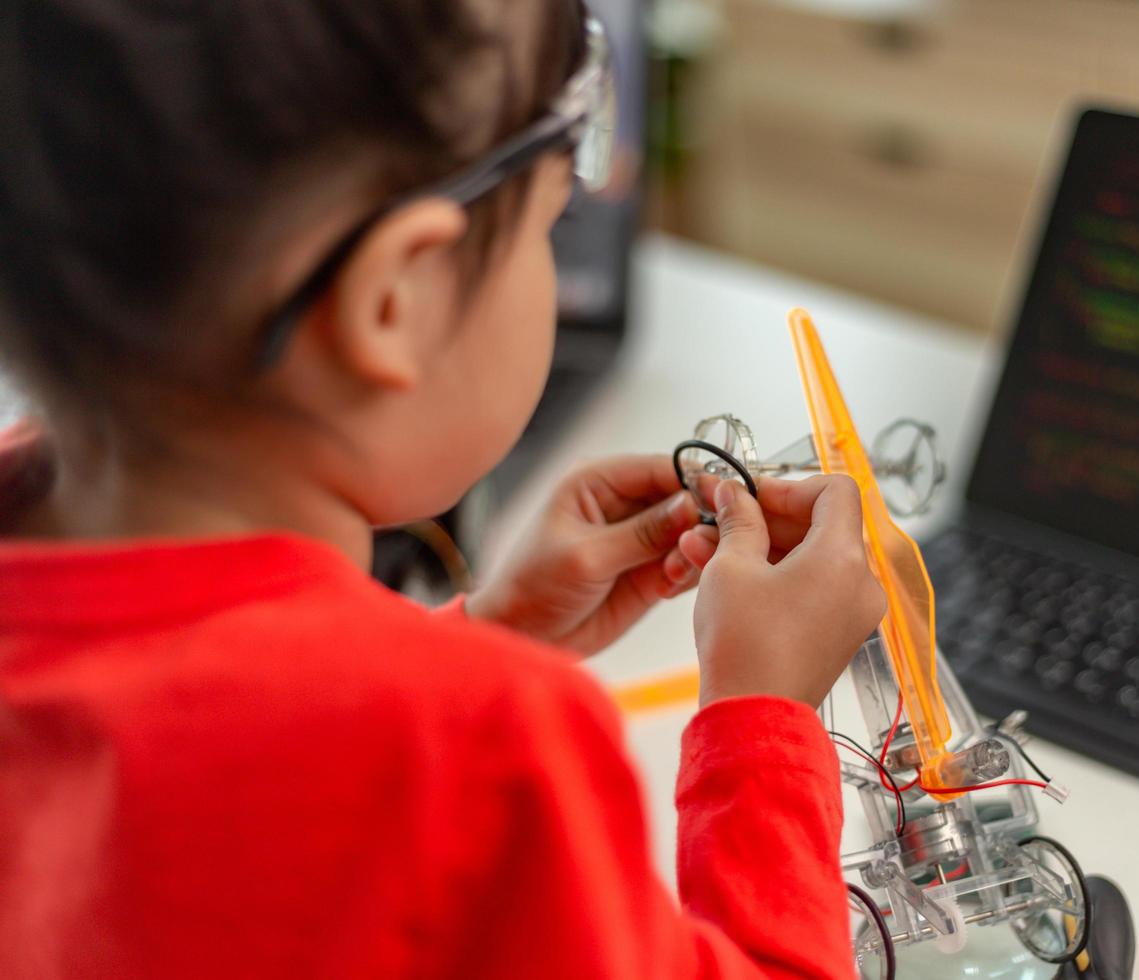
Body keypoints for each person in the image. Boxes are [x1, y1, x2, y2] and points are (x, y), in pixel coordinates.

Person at [0, 1, 887, 977]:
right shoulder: (483, 753)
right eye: (551, 219)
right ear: (397, 301)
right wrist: (766, 721)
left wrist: (485, 638)